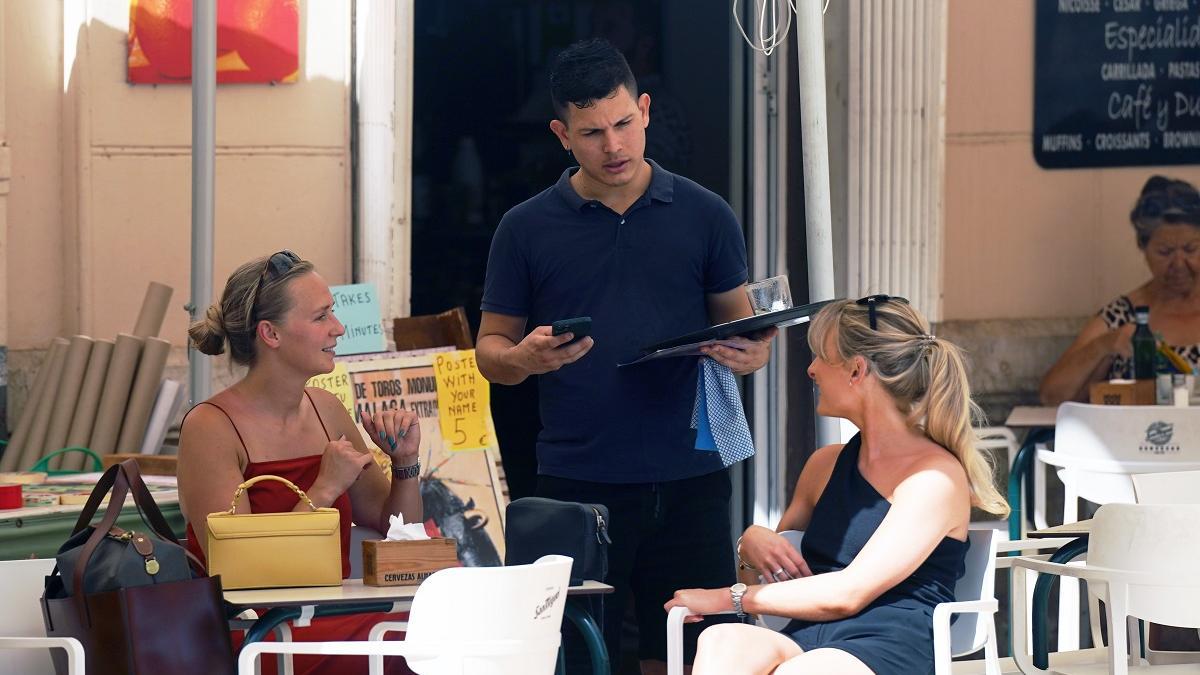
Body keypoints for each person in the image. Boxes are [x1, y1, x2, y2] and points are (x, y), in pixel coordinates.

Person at [476, 38, 775, 673]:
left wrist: (752, 358)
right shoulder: (524, 229)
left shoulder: (707, 215)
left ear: (643, 110)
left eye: (622, 124)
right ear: (561, 134)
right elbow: (489, 351)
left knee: (703, 654)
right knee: (580, 657)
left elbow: (743, 335)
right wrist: (524, 358)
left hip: (691, 474)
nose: (612, 146)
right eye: (591, 133)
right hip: (577, 479)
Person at [666, 296, 1010, 675]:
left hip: (887, 645)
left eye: (820, 357)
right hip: (808, 636)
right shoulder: (824, 464)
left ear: (856, 370)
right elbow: (771, 586)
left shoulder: (934, 480)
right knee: (721, 641)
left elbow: (849, 593)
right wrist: (751, 547)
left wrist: (723, 598)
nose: (810, 370)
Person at [178, 250, 422, 675]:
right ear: (270, 333)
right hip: (259, 630)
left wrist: (405, 462)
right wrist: (324, 489)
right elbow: (244, 572)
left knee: (447, 634)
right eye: (320, 316)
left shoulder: (327, 410)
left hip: (337, 616)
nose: (338, 328)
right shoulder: (210, 428)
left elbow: (395, 529)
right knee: (413, 649)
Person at [1040, 176, 1200, 405]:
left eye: (1190, 249)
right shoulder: (1123, 314)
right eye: (1165, 252)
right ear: (1143, 248)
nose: (1179, 264)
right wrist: (1106, 344)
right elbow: (1051, 396)